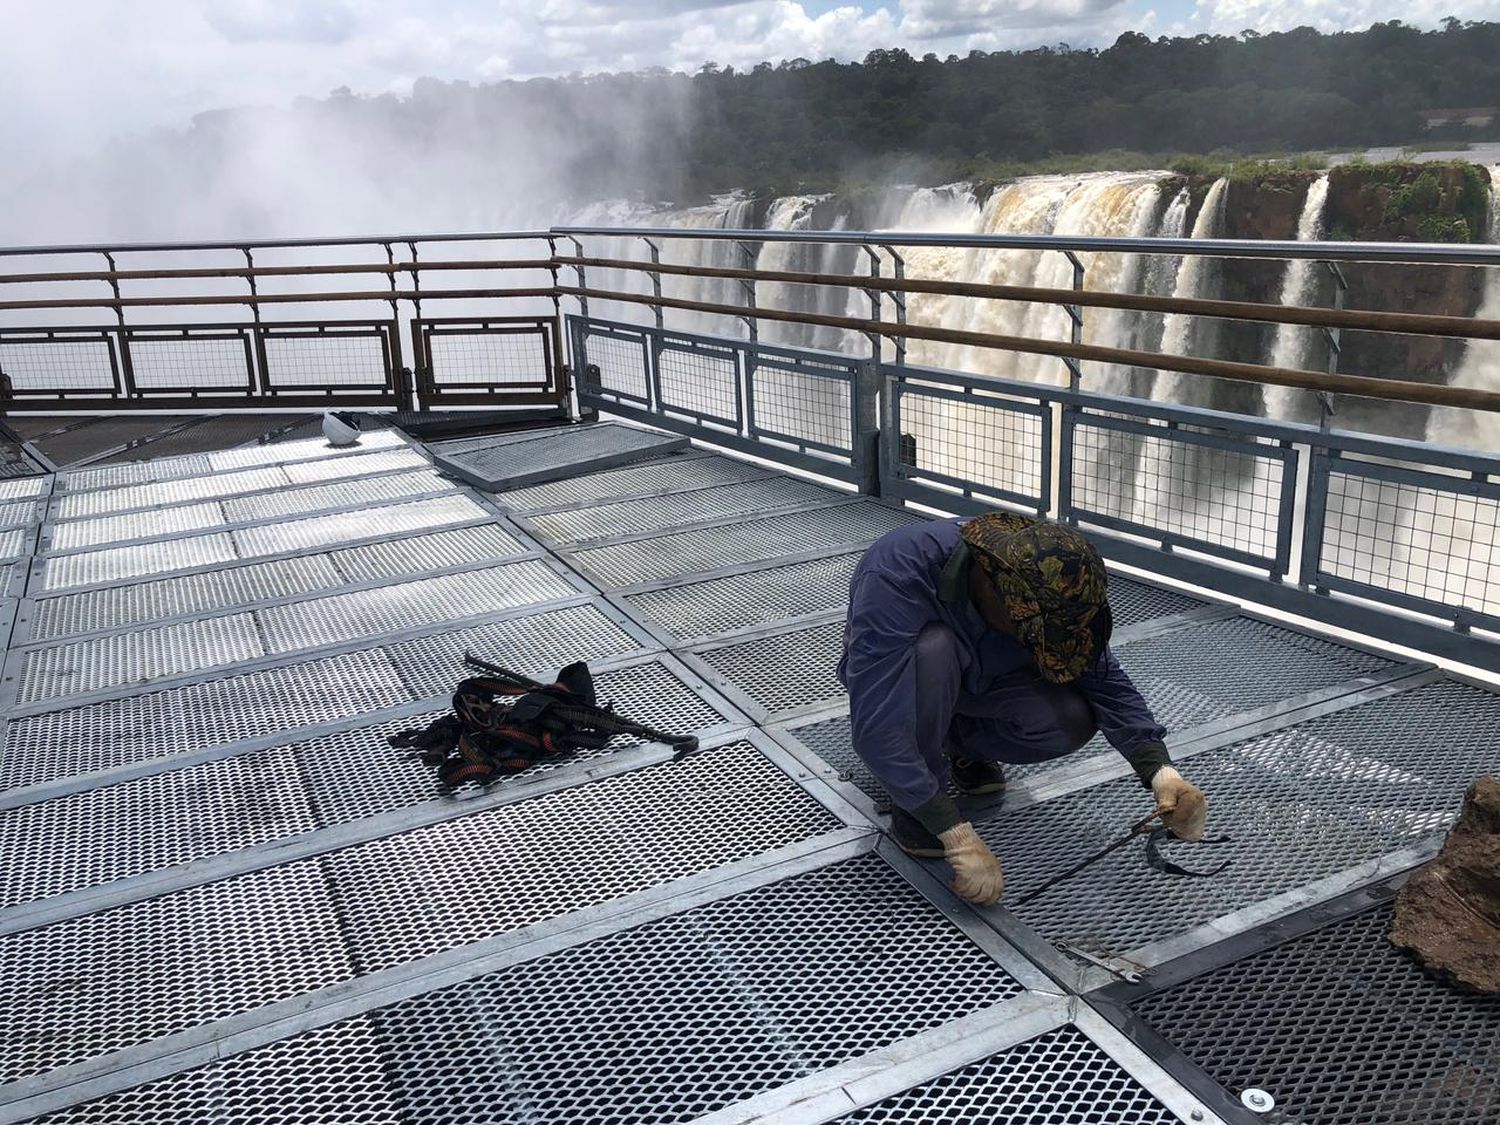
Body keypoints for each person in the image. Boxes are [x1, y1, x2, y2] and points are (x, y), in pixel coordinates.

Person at [837, 510, 1207, 906]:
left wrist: (1161, 772)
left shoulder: (1051, 572)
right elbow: (877, 729)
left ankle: (962, 748)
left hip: (986, 677)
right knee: (934, 649)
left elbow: (1103, 678)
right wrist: (952, 831)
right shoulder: (897, 573)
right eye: (1037, 632)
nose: (1046, 642)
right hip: (911, 681)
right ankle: (918, 800)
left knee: (1069, 720)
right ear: (995, 591)